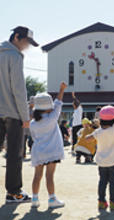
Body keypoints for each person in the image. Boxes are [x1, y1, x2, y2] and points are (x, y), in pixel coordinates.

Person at [0, 26, 39, 203]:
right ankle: (14, 193)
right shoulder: (14, 56)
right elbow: (18, 89)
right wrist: (25, 117)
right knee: (15, 154)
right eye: (26, 42)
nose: (27, 46)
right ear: (16, 37)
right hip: (12, 113)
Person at [30, 82, 67, 209]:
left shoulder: (33, 123)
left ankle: (34, 198)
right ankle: (52, 199)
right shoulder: (52, 117)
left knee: (37, 176)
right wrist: (61, 89)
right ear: (48, 107)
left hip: (38, 152)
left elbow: (34, 138)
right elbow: (58, 102)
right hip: (52, 151)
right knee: (49, 176)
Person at [85, 97, 114, 210]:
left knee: (102, 181)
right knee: (113, 182)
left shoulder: (98, 132)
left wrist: (87, 135)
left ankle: (101, 201)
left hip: (102, 161)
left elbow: (88, 138)